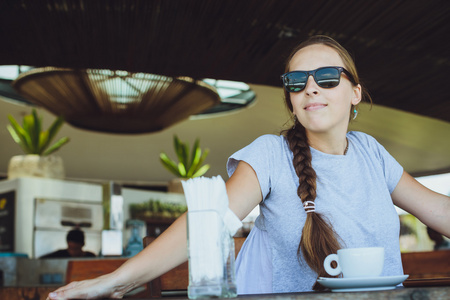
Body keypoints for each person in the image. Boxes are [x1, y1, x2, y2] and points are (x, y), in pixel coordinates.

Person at [47, 35, 450, 299]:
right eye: (297, 81)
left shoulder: (371, 152)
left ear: (355, 92)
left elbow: (439, 210)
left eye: (327, 77)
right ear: (291, 98)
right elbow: (204, 226)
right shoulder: (271, 154)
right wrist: (116, 281)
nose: (311, 86)